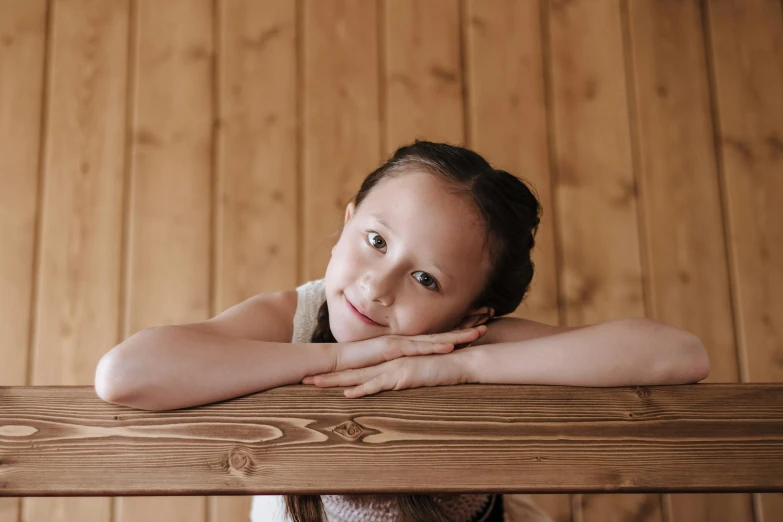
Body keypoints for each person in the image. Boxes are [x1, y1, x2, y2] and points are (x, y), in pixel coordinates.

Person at [94, 141, 711, 522]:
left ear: (473, 316)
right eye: (376, 241)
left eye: (426, 278)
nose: (378, 286)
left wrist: (461, 367)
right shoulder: (296, 317)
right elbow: (125, 375)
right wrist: (340, 360)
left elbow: (678, 355)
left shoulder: (464, 343)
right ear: (346, 224)